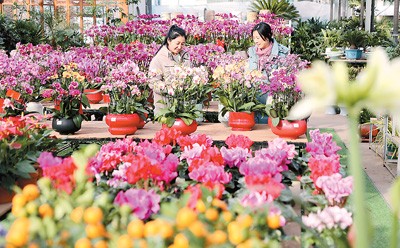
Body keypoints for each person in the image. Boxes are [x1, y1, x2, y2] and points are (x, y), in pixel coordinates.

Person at [247, 22, 289, 123]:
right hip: (254, 90)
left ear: (268, 35)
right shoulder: (252, 51)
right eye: (254, 38)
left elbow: (282, 76)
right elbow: (250, 71)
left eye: (258, 38)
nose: (255, 41)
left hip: (272, 93)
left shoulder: (281, 52)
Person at [149, 24, 190, 115]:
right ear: (169, 41)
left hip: (183, 108)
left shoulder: (185, 56)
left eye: (182, 44)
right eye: (177, 43)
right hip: (165, 110)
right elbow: (153, 83)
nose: (180, 47)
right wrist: (170, 89)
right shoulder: (159, 59)